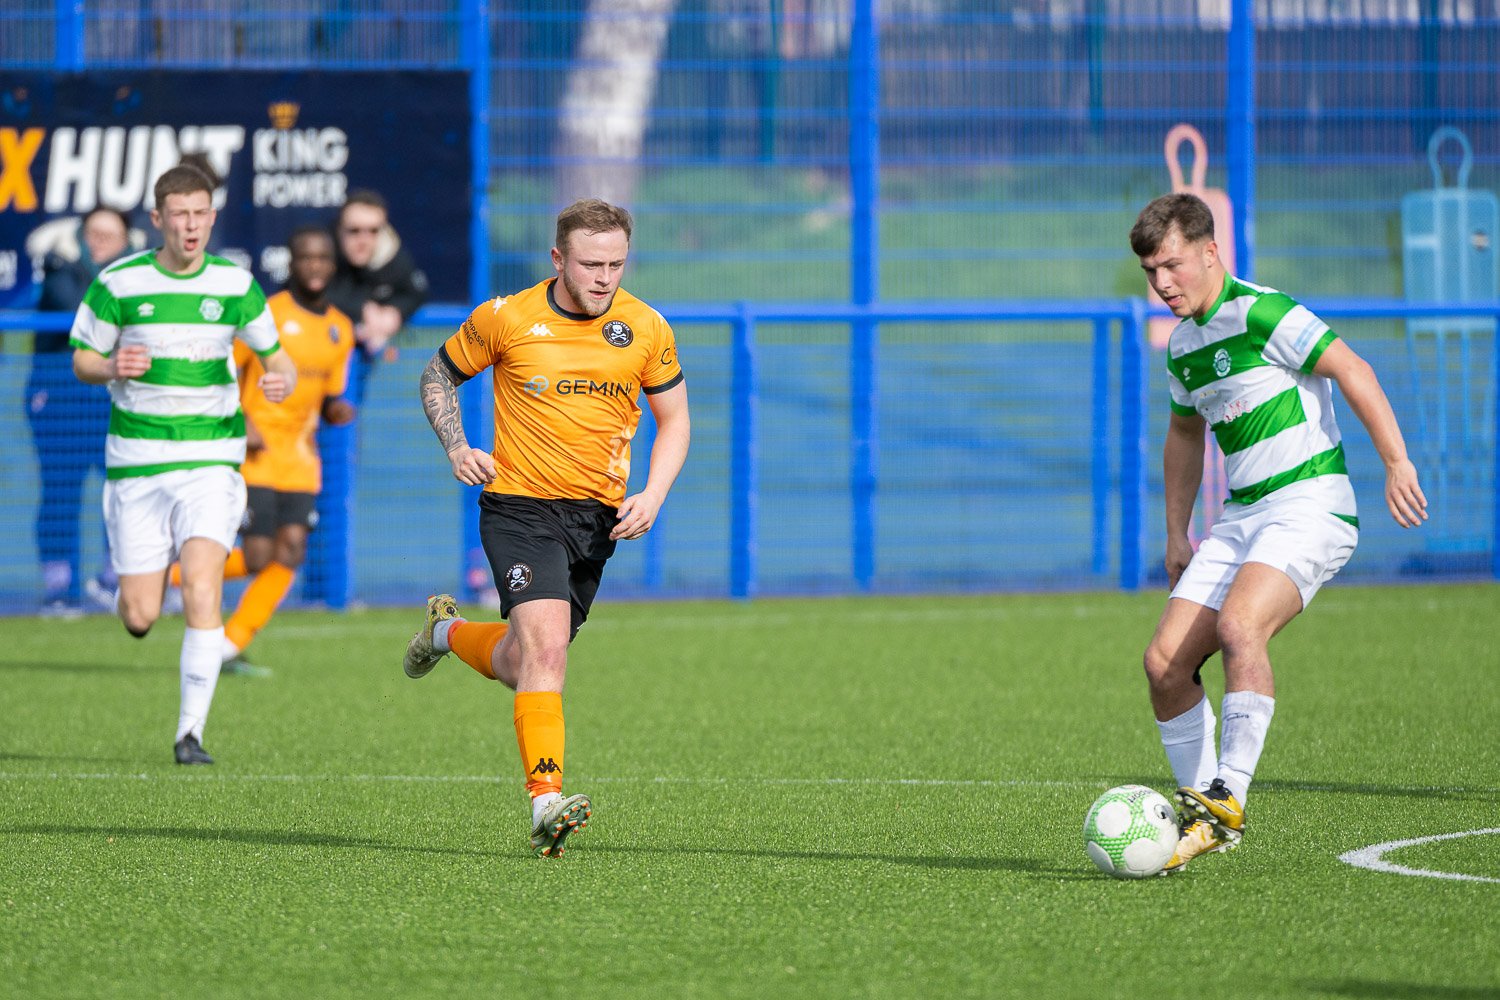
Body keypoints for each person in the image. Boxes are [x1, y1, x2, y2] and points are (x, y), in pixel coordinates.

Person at [1129, 193, 1427, 873]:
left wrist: (1396, 461)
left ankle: (1226, 797)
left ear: (1210, 252)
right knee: (1165, 665)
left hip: (1310, 506)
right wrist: (1178, 533)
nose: (1162, 283)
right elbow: (1183, 435)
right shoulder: (1182, 347)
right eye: (1151, 272)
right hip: (1240, 520)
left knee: (1240, 627)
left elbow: (1353, 369)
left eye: (1171, 265)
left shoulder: (1263, 311)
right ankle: (1205, 808)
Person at [404, 198, 690, 858]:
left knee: (521, 660)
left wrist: (654, 492)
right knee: (548, 651)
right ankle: (545, 801)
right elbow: (437, 375)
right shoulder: (506, 318)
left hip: (596, 522)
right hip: (519, 508)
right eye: (591, 264)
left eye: (617, 264)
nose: (604, 278)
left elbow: (675, 420)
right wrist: (455, 445)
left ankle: (445, 633)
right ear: (557, 259)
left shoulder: (646, 327)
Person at [69, 163, 297, 765]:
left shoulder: (235, 284)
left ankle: (189, 735)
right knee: (141, 615)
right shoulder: (118, 283)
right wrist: (113, 365)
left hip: (210, 461)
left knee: (201, 585)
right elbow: (82, 360)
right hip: (137, 465)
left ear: (211, 217)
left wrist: (278, 379)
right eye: (180, 214)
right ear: (157, 219)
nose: (191, 225)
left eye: (201, 214)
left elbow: (280, 361)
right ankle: (130, 598)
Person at [212, 225, 356, 674]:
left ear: (333, 266)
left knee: (291, 550)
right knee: (256, 556)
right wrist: (244, 420)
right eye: (306, 258)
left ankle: (230, 644)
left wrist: (336, 411)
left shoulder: (340, 328)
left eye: (323, 258)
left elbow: (329, 396)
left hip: (300, 457)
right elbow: (224, 372)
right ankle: (163, 578)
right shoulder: (264, 314)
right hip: (257, 451)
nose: (315, 266)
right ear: (291, 263)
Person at [305, 190, 429, 607]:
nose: (363, 239)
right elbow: (311, 294)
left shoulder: (390, 256)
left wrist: (391, 315)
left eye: (372, 231)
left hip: (345, 398)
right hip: (302, 395)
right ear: (338, 230)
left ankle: (325, 589)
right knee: (303, 487)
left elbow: (415, 290)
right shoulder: (319, 253)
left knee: (335, 482)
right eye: (353, 230)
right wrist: (364, 314)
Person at [29, 206, 132, 615]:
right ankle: (58, 585)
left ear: (126, 239)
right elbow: (79, 314)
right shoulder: (62, 274)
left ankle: (112, 580)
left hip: (115, 406)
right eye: (93, 232)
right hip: (62, 405)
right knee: (59, 494)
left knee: (123, 494)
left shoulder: (138, 279)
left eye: (110, 234)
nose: (100, 240)